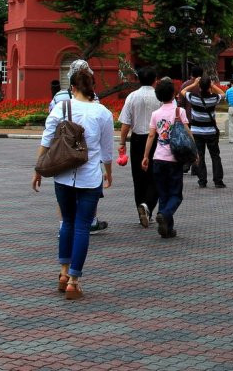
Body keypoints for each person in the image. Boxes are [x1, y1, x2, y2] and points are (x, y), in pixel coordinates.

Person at [32, 67, 113, 300]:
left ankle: (63, 273)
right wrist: (108, 173)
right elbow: (106, 152)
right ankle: (74, 282)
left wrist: (38, 169)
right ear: (92, 87)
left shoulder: (60, 107)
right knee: (82, 226)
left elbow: (46, 141)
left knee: (66, 222)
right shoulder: (102, 113)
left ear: (73, 88)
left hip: (62, 175)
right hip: (90, 178)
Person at [49, 59, 108, 233]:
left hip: (63, 150)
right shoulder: (93, 97)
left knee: (64, 192)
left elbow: (51, 121)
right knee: (91, 190)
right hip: (87, 151)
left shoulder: (59, 97)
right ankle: (91, 221)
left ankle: (64, 225)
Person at [141, 79, 194, 238]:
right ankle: (164, 214)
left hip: (158, 158)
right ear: (174, 94)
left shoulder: (155, 114)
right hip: (174, 159)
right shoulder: (179, 111)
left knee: (163, 194)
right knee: (176, 194)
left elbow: (151, 135)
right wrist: (195, 152)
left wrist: (145, 156)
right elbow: (187, 132)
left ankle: (167, 229)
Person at [118, 66, 161, 228]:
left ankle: (141, 210)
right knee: (155, 175)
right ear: (155, 80)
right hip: (156, 140)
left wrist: (122, 143)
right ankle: (148, 206)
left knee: (138, 177)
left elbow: (125, 123)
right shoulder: (159, 96)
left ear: (138, 79)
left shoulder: (132, 97)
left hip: (137, 140)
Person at [182, 76, 226, 188]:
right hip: (211, 132)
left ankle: (202, 180)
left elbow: (183, 91)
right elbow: (223, 94)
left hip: (197, 132)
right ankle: (218, 180)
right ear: (209, 87)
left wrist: (194, 84)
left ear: (200, 87)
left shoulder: (193, 97)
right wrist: (213, 85)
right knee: (215, 156)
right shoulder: (214, 98)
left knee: (200, 156)